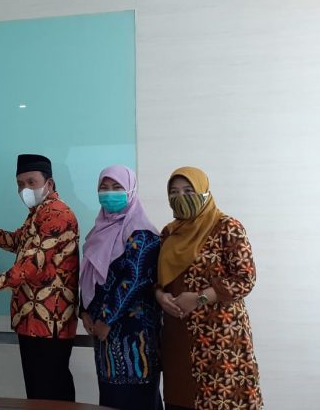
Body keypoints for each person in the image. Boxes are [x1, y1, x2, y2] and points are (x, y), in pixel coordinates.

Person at [0, 154, 79, 402]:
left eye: (31, 182)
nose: (25, 189)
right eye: (20, 184)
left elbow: (33, 261)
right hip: (33, 318)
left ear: (49, 183)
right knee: (39, 390)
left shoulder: (57, 214)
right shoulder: (38, 213)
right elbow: (20, 241)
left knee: (50, 391)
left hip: (49, 319)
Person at [156, 166, 263, 410]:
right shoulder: (169, 233)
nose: (180, 197)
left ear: (204, 192)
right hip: (178, 332)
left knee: (222, 399)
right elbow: (157, 279)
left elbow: (245, 278)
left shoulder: (227, 227)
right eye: (174, 192)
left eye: (188, 190)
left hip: (220, 338)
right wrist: (160, 296)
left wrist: (200, 298)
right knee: (180, 398)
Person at [79, 165, 163, 410]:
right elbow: (89, 277)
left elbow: (134, 280)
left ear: (131, 190)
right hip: (104, 336)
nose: (109, 193)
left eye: (117, 187)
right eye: (103, 188)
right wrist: (84, 311)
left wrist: (106, 319)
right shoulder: (98, 231)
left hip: (135, 336)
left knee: (137, 400)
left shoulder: (142, 234)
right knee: (111, 399)